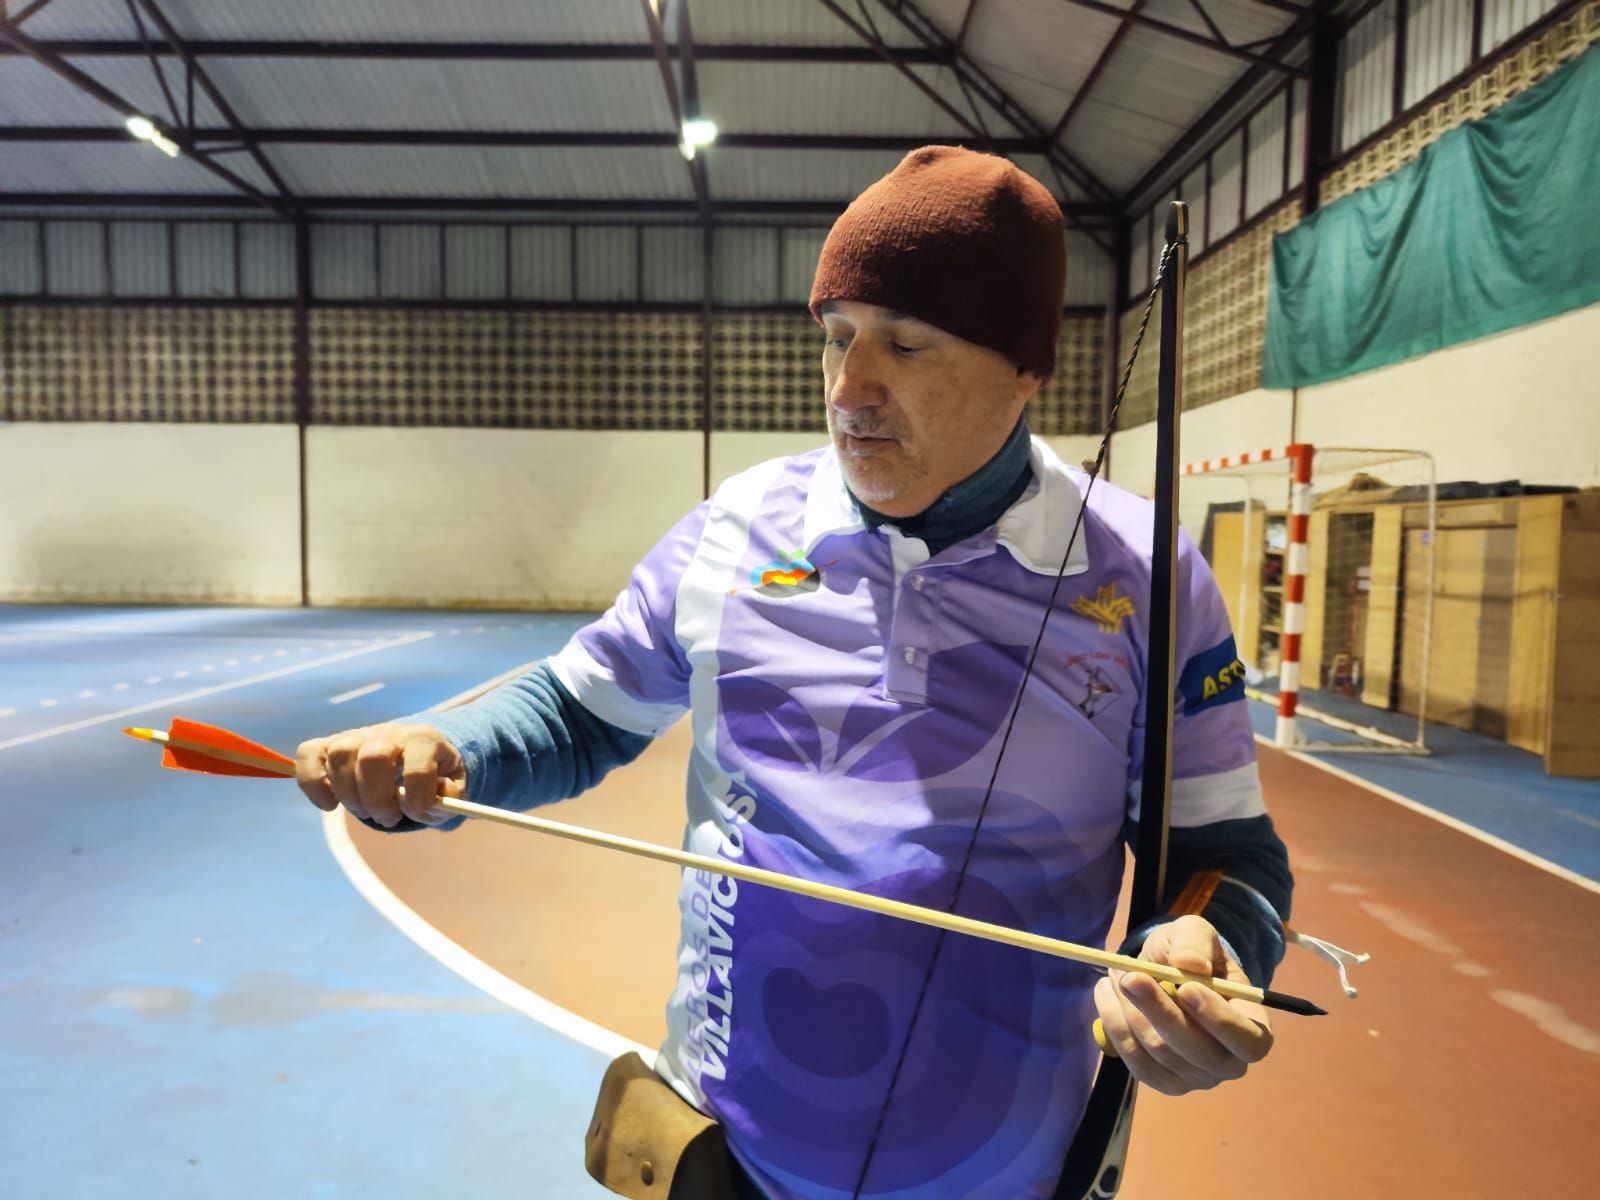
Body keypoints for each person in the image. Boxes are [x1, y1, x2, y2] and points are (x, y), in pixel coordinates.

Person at [296, 146, 1293, 1200]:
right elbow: (576, 714)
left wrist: (1205, 951)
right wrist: (451, 749)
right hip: (721, 1164)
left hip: (1001, 1180)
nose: (849, 388)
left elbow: (1228, 857)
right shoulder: (734, 532)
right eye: (837, 337)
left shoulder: (1145, 579)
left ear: (1025, 368)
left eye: (906, 346)